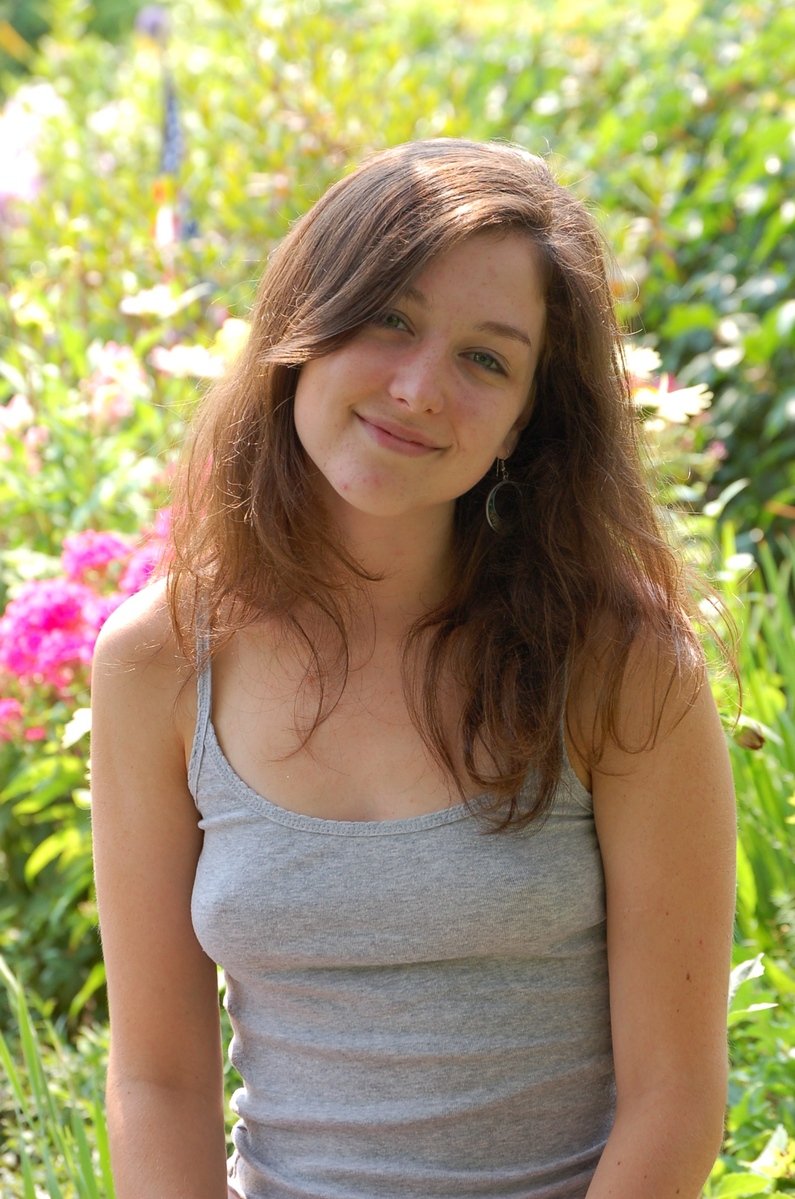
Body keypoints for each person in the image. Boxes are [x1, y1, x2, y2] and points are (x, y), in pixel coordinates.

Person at [90, 138, 737, 1199]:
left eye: (487, 358)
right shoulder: (158, 664)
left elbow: (675, 1096)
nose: (419, 386)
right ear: (306, 320)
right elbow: (157, 1079)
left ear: (527, 418)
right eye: (389, 316)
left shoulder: (622, 670)